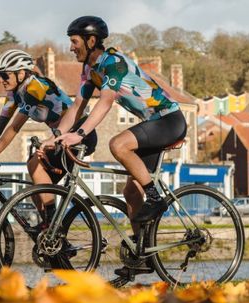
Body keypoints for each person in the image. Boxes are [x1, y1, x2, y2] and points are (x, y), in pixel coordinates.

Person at [39, 16, 187, 276]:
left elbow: (105, 103)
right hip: (153, 124)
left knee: (118, 144)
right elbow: (76, 108)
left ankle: (156, 198)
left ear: (91, 40)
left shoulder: (114, 63)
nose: (71, 47)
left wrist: (80, 133)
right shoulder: (90, 70)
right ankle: (143, 256)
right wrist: (56, 136)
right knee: (130, 192)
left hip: (168, 120)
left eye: (74, 42)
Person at [0, 49, 97, 224]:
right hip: (60, 137)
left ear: (21, 74)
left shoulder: (34, 88)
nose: (1, 80)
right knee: (36, 190)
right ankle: (50, 233)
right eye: (0, 75)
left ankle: (53, 227)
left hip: (79, 134)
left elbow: (14, 128)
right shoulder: (15, 95)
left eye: (5, 75)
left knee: (34, 164)